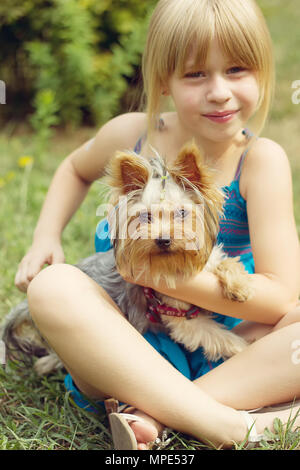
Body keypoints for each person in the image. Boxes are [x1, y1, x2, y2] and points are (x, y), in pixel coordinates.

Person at [16, 0, 300, 450]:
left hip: (229, 337)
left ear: (263, 73)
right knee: (53, 288)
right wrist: (45, 237)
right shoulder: (133, 133)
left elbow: (280, 297)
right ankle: (235, 425)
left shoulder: (260, 162)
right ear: (163, 80)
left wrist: (161, 274)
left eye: (238, 70)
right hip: (127, 343)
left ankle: (156, 414)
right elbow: (74, 167)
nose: (220, 91)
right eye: (195, 74)